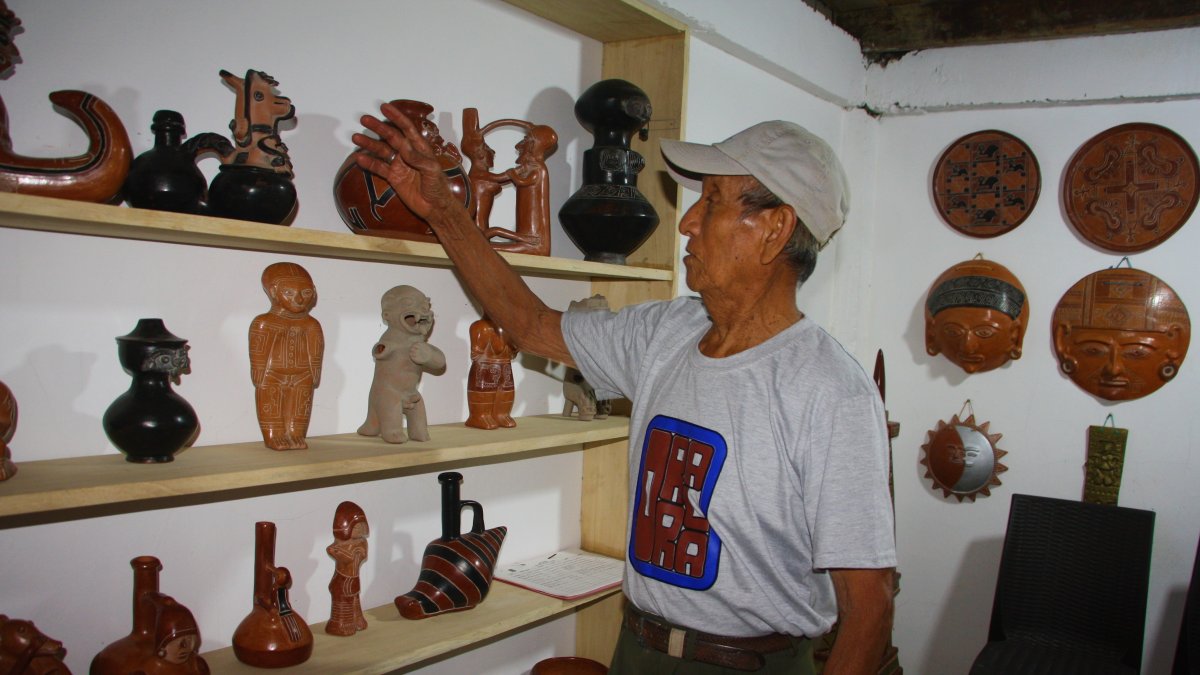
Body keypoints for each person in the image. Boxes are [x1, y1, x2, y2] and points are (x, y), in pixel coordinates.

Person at [353, 105, 896, 675]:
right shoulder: (666, 332)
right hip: (637, 648)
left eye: (712, 202)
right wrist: (443, 210)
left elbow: (869, 604)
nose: (686, 223)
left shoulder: (831, 391)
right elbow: (531, 325)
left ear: (775, 229)